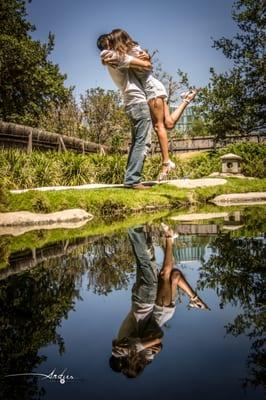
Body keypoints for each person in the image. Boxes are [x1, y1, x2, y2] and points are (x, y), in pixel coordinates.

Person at [109, 223, 210, 378]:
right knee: (153, 266)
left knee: (150, 264)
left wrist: (152, 345)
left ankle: (142, 229)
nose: (141, 364)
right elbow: (157, 341)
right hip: (153, 309)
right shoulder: (141, 354)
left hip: (146, 303)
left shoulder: (129, 349)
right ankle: (149, 231)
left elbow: (156, 341)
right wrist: (156, 345)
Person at [99, 29, 198, 181]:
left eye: (112, 42)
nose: (110, 46)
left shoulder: (128, 53)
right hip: (155, 87)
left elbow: (147, 66)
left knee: (159, 126)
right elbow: (116, 57)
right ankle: (186, 99)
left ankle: (166, 163)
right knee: (169, 124)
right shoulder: (127, 52)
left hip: (151, 89)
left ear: (117, 41)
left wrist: (147, 58)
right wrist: (147, 57)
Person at [97, 33, 154, 189]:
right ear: (107, 45)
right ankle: (133, 180)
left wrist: (146, 55)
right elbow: (148, 66)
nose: (116, 43)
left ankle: (130, 179)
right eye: (112, 42)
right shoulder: (113, 56)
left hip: (131, 103)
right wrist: (146, 59)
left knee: (137, 142)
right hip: (138, 103)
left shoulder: (113, 57)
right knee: (143, 142)